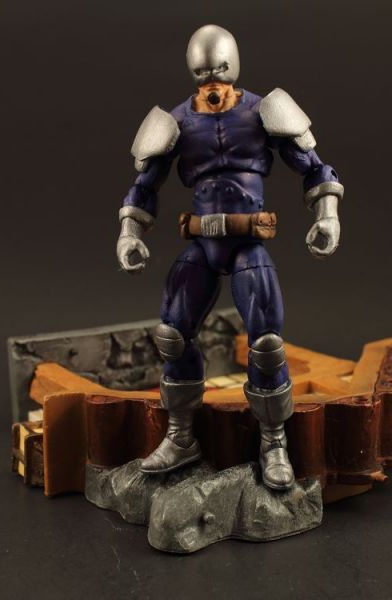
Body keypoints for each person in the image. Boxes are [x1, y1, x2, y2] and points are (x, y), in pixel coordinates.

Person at [117, 24, 343, 490]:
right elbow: (145, 183)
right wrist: (128, 232)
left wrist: (328, 216)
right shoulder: (175, 122)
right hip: (201, 243)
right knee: (171, 336)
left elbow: (314, 167)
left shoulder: (265, 110)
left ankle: (274, 442)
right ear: (192, 73)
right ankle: (181, 437)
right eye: (203, 75)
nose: (212, 83)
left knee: (266, 344)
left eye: (219, 71)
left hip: (247, 245)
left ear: (233, 66)